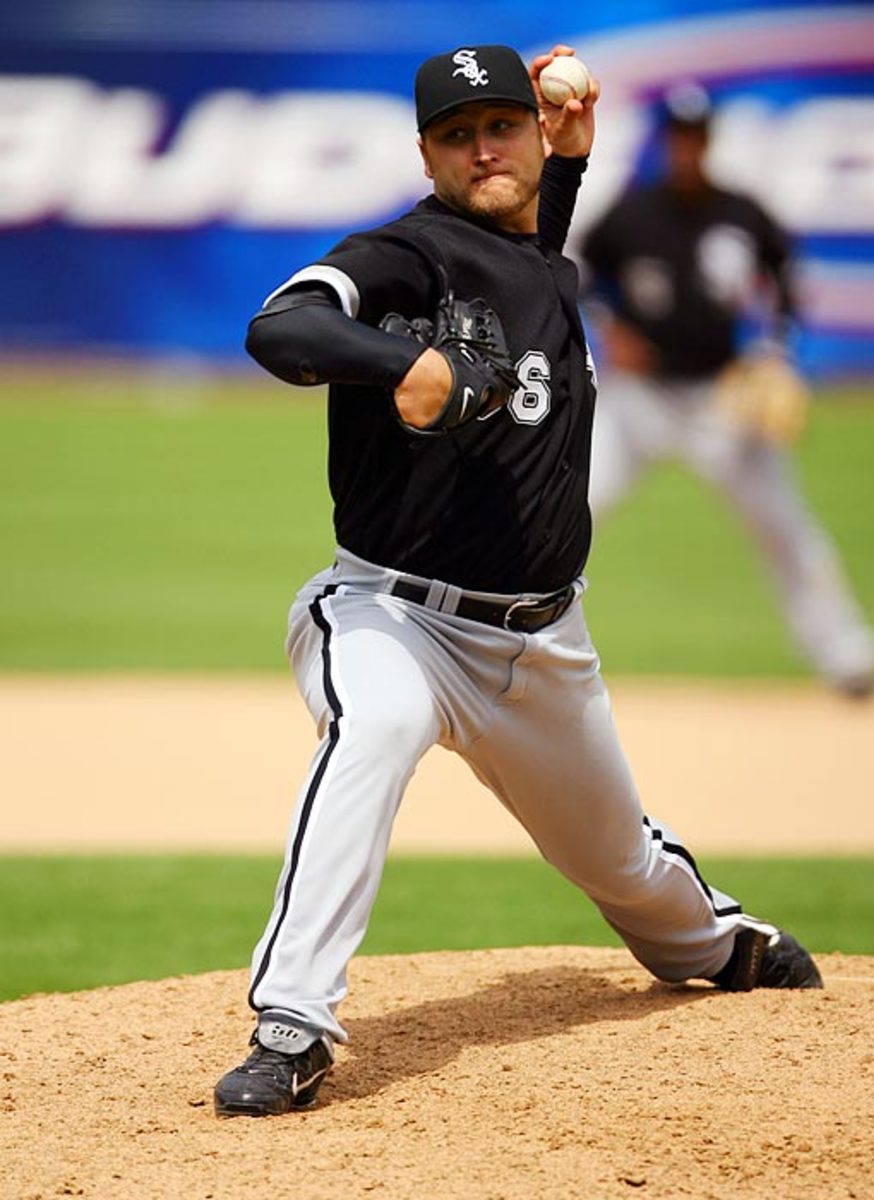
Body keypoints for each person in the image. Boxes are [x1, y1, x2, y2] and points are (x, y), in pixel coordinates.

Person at [213, 46, 822, 1121]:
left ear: (539, 136)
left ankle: (714, 940)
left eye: (502, 125)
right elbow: (281, 327)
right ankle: (292, 1024)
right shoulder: (403, 253)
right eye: (456, 134)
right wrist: (399, 363)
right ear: (426, 155)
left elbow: (529, 227)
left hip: (542, 647)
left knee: (624, 866)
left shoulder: (540, 249)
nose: (481, 147)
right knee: (375, 729)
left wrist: (570, 160)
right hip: (393, 615)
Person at [579, 82, 874, 698]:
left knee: (784, 526)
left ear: (709, 141)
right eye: (679, 137)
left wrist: (775, 352)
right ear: (665, 142)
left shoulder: (741, 213)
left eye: (697, 136)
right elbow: (582, 273)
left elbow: (788, 280)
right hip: (638, 400)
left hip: (722, 400)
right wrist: (610, 329)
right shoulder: (631, 212)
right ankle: (502, 639)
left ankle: (846, 654)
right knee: (569, 512)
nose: (687, 147)